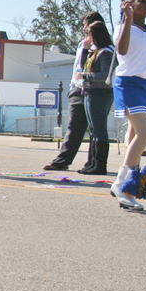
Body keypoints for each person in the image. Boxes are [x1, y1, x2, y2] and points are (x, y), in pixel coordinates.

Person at [43, 12, 107, 172]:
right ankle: (63, 161)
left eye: (85, 25)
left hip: (95, 90)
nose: (84, 28)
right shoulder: (83, 44)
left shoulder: (103, 47)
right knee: (75, 126)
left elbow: (85, 68)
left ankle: (94, 164)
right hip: (79, 88)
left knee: (94, 128)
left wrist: (85, 51)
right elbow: (78, 67)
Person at [110, 0, 146, 211]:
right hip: (128, 83)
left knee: (136, 135)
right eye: (142, 2)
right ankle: (122, 185)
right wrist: (127, 19)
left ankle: (127, 188)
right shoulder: (124, 28)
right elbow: (122, 51)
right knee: (145, 133)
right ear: (130, 4)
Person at [74, 21, 114, 175]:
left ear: (96, 34)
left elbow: (104, 75)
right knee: (93, 130)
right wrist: (84, 50)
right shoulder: (94, 51)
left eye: (89, 34)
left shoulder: (105, 53)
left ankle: (100, 165)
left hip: (101, 94)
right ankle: (92, 163)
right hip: (90, 91)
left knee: (99, 130)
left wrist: (83, 76)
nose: (87, 37)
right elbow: (83, 65)